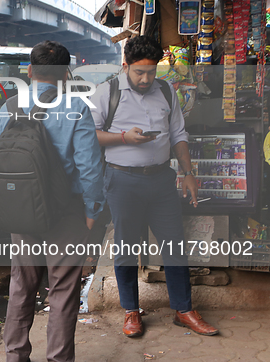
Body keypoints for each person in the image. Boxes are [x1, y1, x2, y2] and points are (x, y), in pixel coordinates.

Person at [90, 36, 219, 337]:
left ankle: (184, 310)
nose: (146, 79)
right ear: (126, 67)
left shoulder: (165, 90)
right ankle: (131, 311)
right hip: (122, 180)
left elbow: (178, 134)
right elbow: (90, 134)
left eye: (151, 72)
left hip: (162, 179)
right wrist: (124, 138)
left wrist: (187, 173)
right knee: (126, 246)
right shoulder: (106, 92)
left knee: (174, 244)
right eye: (139, 73)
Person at [0, 40, 105, 362]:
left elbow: (1, 163)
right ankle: (57, 358)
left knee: (21, 287)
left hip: (22, 211)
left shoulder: (10, 106)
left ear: (29, 71)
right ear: (65, 75)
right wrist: (91, 212)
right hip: (66, 214)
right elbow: (90, 168)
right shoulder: (77, 108)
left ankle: (14, 355)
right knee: (62, 292)